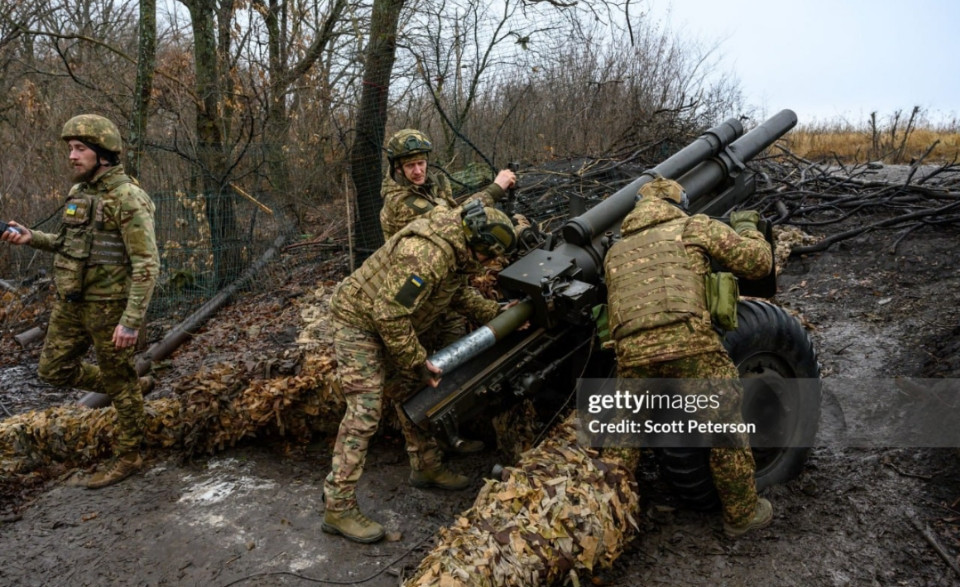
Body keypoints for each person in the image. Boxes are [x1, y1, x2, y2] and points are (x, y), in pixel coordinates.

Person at [323, 202, 518, 544]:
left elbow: (454, 293)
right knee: (365, 412)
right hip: (358, 322)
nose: (488, 266)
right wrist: (417, 361)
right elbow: (388, 314)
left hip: (386, 321)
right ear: (475, 245)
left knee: (413, 395)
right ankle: (337, 507)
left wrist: (498, 312)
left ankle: (425, 465)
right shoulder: (428, 255)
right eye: (488, 258)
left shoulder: (456, 246)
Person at [603, 177, 774, 538]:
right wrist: (748, 228)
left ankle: (603, 526)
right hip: (692, 346)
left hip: (633, 355)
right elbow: (758, 264)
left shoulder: (615, 250)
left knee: (623, 442)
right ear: (678, 203)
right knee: (724, 428)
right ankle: (742, 515)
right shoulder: (693, 226)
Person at [1, 114, 160, 488]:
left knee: (120, 384)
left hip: (110, 309)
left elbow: (147, 264)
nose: (71, 156)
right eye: (70, 149)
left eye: (80, 149)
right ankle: (128, 388)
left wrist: (131, 320)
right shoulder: (80, 194)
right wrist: (32, 238)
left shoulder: (129, 197)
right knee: (53, 370)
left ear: (103, 154)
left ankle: (130, 455)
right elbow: (68, 244)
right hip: (72, 303)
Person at [379, 128, 516, 240]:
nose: (418, 171)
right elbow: (451, 223)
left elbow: (451, 211)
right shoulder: (402, 202)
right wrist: (495, 190)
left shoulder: (429, 184)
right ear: (398, 169)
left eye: (421, 163)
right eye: (410, 166)